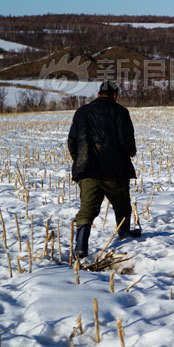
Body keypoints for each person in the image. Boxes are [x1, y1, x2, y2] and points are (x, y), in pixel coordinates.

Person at [67, 80, 141, 259]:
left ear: (99, 94)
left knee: (87, 210)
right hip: (115, 171)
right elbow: (126, 141)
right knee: (122, 205)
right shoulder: (120, 112)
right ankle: (124, 234)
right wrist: (131, 152)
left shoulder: (81, 112)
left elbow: (72, 141)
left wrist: (80, 161)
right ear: (114, 95)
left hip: (87, 171)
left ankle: (80, 248)